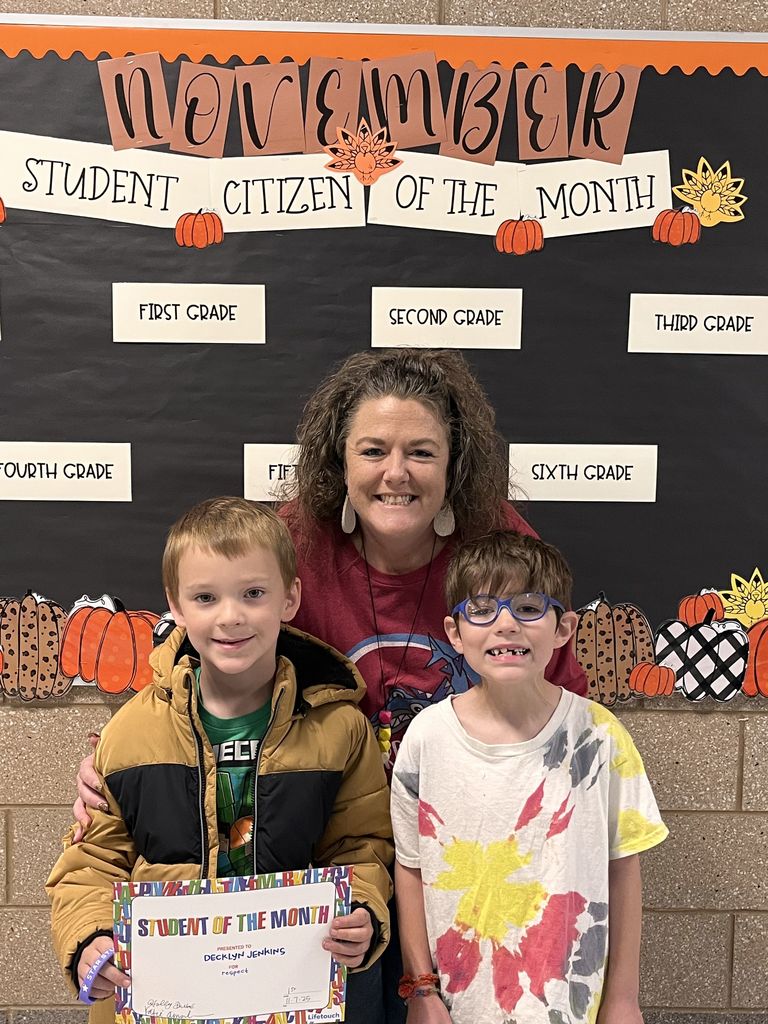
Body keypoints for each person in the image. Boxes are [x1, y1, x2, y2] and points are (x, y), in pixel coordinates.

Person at [71, 348, 588, 1022]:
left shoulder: (497, 543)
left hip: (469, 852)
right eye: (373, 450)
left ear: (454, 464)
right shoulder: (293, 545)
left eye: (422, 453)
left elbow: (562, 694)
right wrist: (109, 757)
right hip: (334, 857)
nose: (395, 473)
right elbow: (194, 657)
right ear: (339, 461)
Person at [47, 497, 393, 1024]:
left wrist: (362, 911)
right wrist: (91, 938)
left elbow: (362, 848)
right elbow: (89, 865)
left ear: (290, 597)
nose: (230, 617)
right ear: (177, 606)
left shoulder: (338, 728)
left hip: (289, 994)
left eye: (253, 593)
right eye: (205, 597)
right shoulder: (132, 732)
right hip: (164, 999)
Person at [390, 531, 668, 1024]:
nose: (505, 625)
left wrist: (623, 998)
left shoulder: (600, 737)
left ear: (564, 628)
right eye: (482, 609)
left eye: (528, 607)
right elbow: (410, 869)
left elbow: (623, 871)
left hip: (571, 1006)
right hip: (456, 1007)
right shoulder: (426, 739)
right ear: (454, 633)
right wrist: (421, 991)